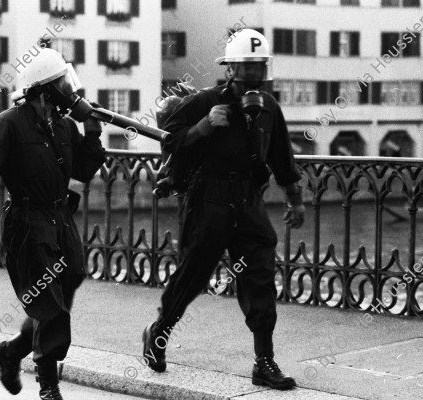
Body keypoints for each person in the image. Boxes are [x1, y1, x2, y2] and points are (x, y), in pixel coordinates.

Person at [142, 29, 305, 390]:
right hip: (207, 203)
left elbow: (282, 157)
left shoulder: (269, 109)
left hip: (248, 203)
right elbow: (170, 139)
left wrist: (295, 199)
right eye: (245, 67)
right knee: (193, 275)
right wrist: (203, 127)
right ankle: (159, 331)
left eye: (258, 67)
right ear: (229, 69)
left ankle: (264, 362)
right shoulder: (205, 102)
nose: (252, 75)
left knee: (260, 280)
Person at [0, 48, 105, 400]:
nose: (71, 89)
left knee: (67, 284)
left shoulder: (62, 125)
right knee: (50, 305)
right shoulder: (9, 123)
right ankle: (48, 387)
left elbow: (81, 169)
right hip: (28, 221)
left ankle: (11, 351)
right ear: (46, 89)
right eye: (64, 83)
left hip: (60, 219)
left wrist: (92, 130)